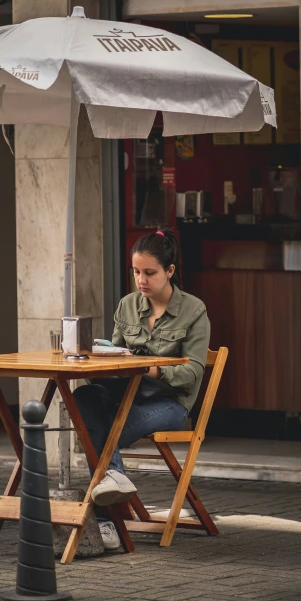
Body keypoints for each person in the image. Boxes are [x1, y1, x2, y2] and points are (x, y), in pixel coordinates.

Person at [73, 230, 210, 550]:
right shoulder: (128, 306)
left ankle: (108, 523)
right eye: (136, 272)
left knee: (100, 436)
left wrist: (152, 367)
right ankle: (115, 483)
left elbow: (192, 373)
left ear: (170, 271)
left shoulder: (194, 311)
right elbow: (115, 360)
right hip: (126, 395)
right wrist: (101, 358)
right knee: (83, 397)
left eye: (150, 273)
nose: (141, 280)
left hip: (170, 402)